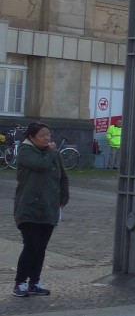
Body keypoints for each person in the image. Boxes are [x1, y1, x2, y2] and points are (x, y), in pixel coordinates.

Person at [12, 121, 69, 297]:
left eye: (48, 135)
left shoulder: (52, 153)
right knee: (31, 245)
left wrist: (63, 198)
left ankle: (34, 282)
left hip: (49, 208)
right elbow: (41, 165)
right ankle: (20, 283)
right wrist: (52, 152)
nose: (47, 138)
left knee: (41, 247)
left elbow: (63, 176)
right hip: (29, 208)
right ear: (31, 137)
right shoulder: (25, 151)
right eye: (42, 135)